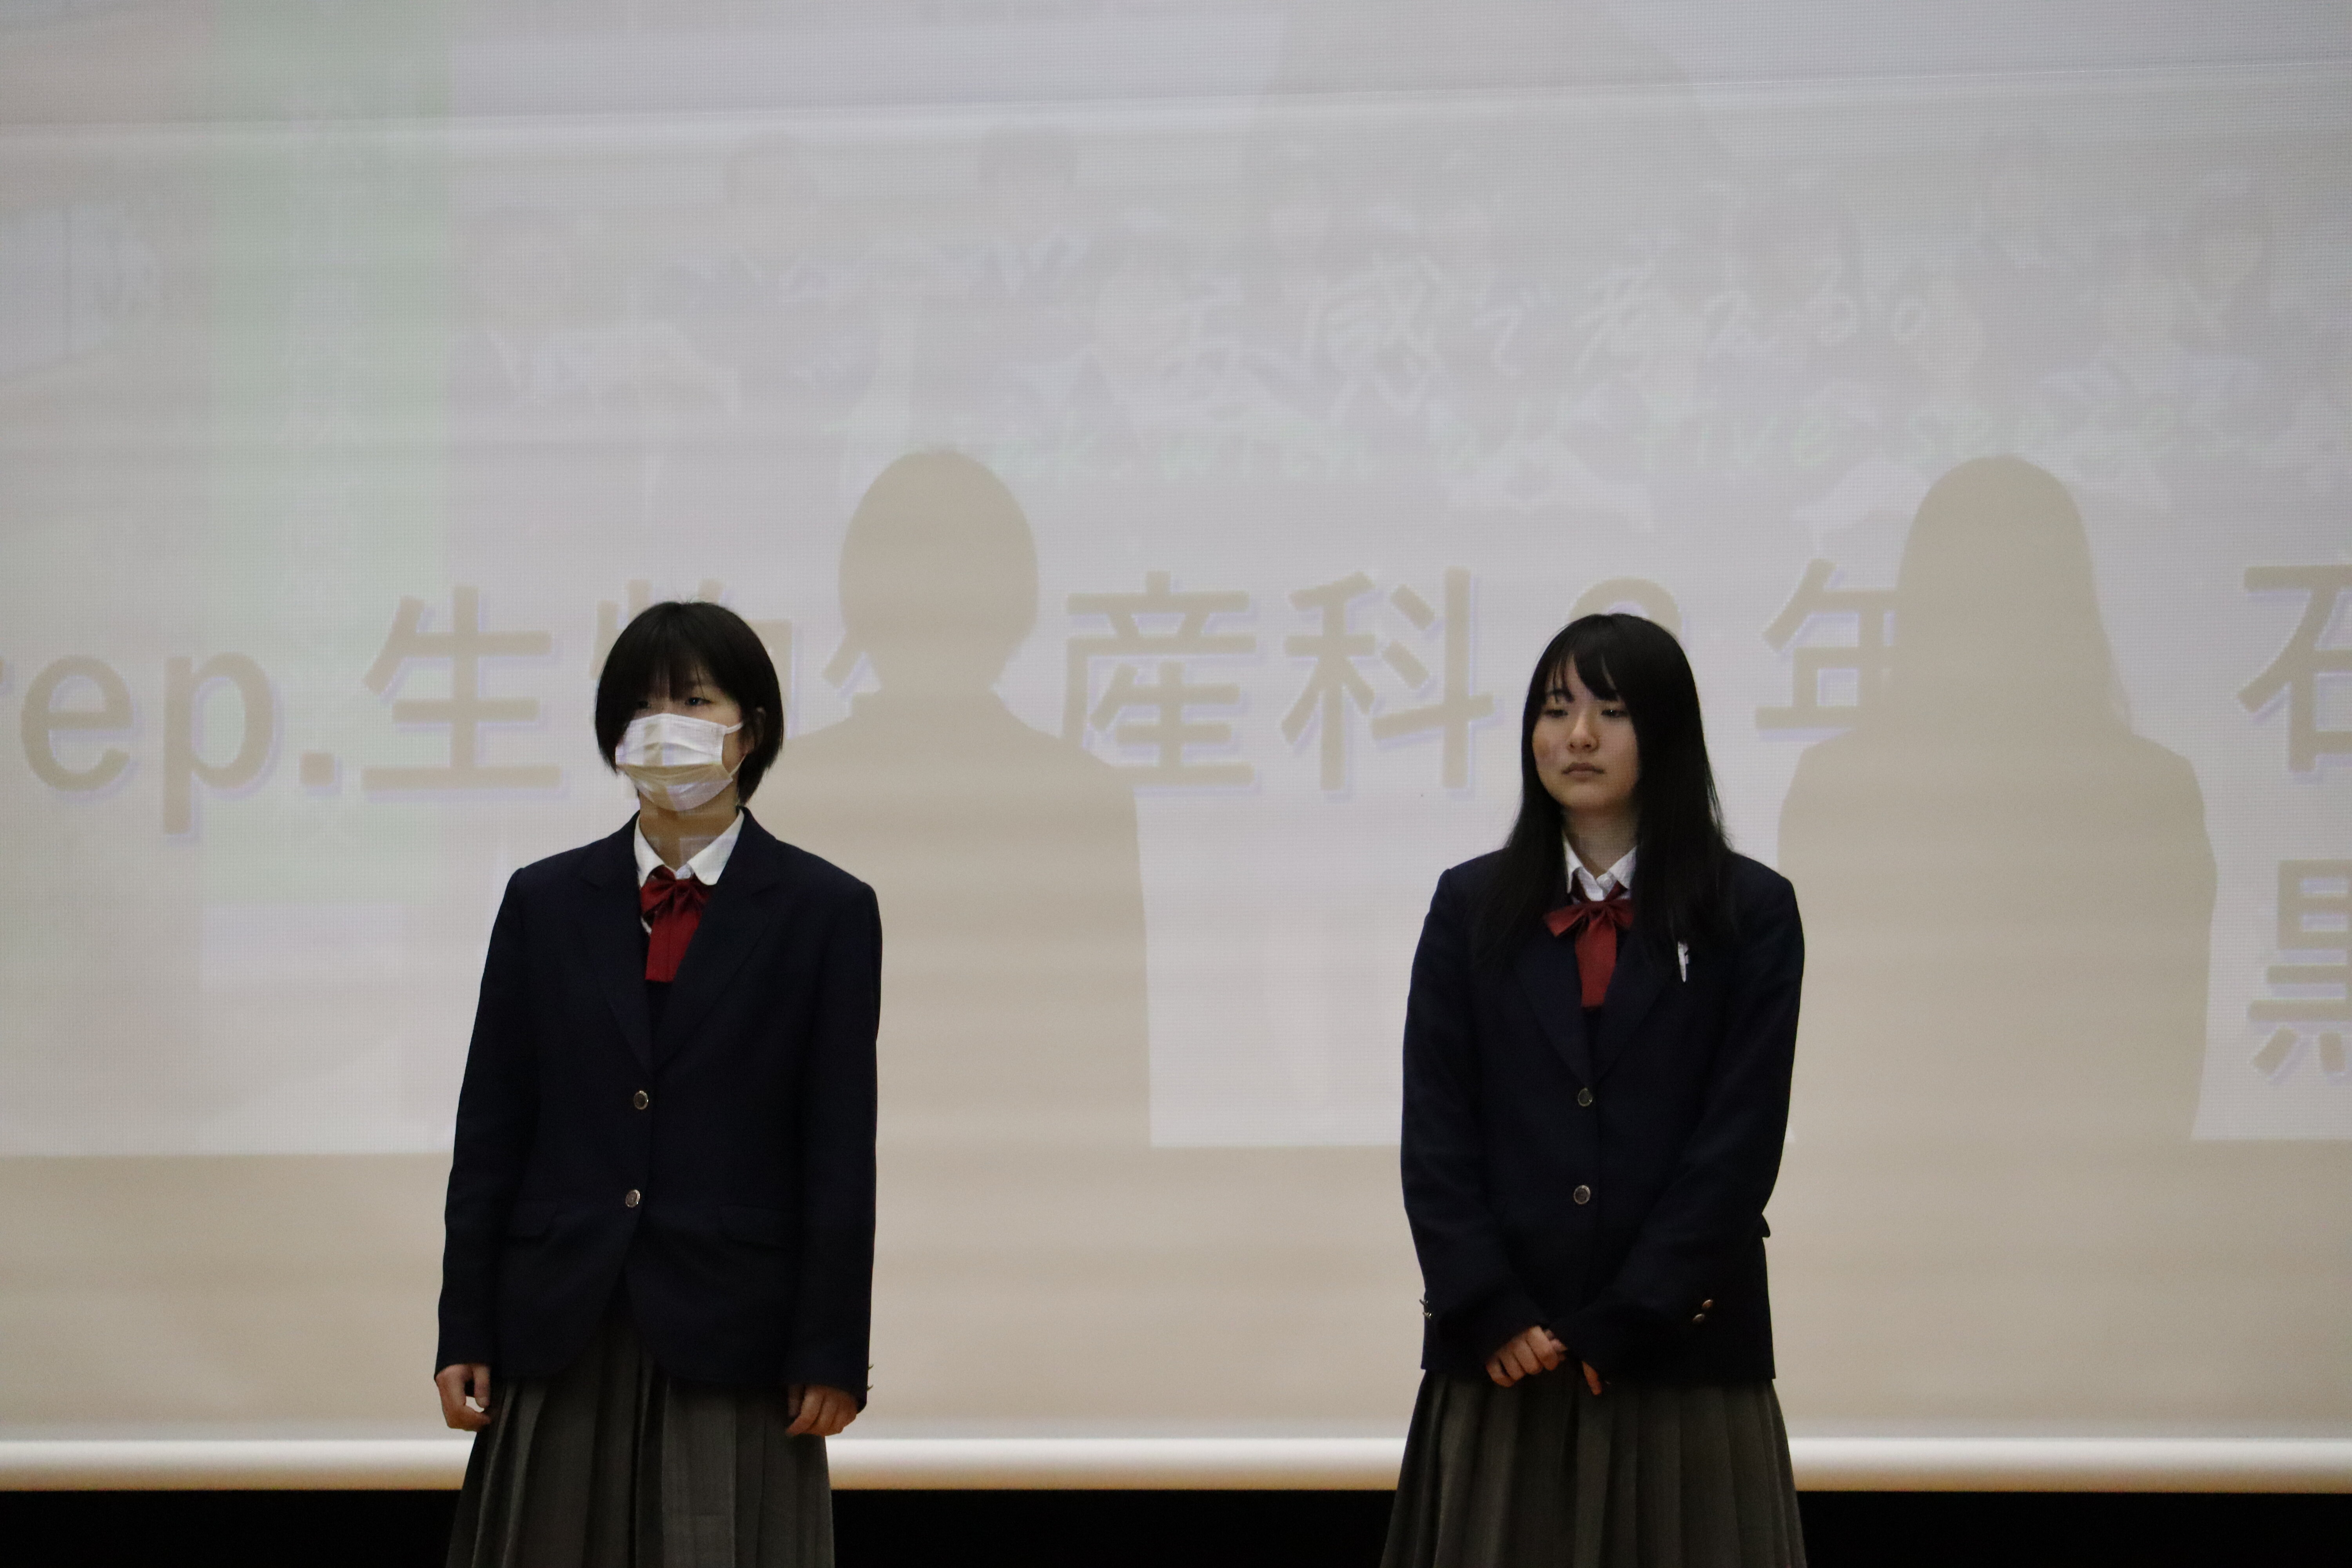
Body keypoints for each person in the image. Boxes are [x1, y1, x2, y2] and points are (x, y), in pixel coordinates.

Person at [434, 601, 881, 1568]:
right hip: (560, 1316)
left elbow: (839, 1149)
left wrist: (832, 1346)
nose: (663, 725)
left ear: (750, 728)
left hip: (735, 1327)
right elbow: (493, 1127)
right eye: (640, 706)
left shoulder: (826, 910)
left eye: (694, 699)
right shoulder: (545, 900)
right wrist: (463, 1320)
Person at [1383, 613, 1806, 1568]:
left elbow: (1739, 1145)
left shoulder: (1751, 912)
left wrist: (1632, 1314)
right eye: (1555, 707)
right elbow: (1436, 1130)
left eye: (1611, 710)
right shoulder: (1469, 906)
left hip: (1682, 1358)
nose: (1577, 735)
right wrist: (1488, 1303)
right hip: (1504, 1358)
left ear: (1668, 733)